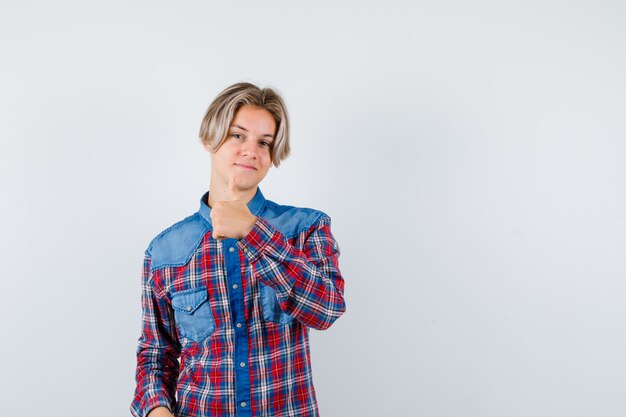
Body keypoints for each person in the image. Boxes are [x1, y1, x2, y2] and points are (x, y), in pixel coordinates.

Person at [130, 82, 347, 417]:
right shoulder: (165, 251)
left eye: (265, 142)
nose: (251, 150)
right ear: (209, 139)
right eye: (237, 135)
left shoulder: (305, 228)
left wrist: (251, 231)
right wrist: (156, 410)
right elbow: (155, 354)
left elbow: (327, 308)